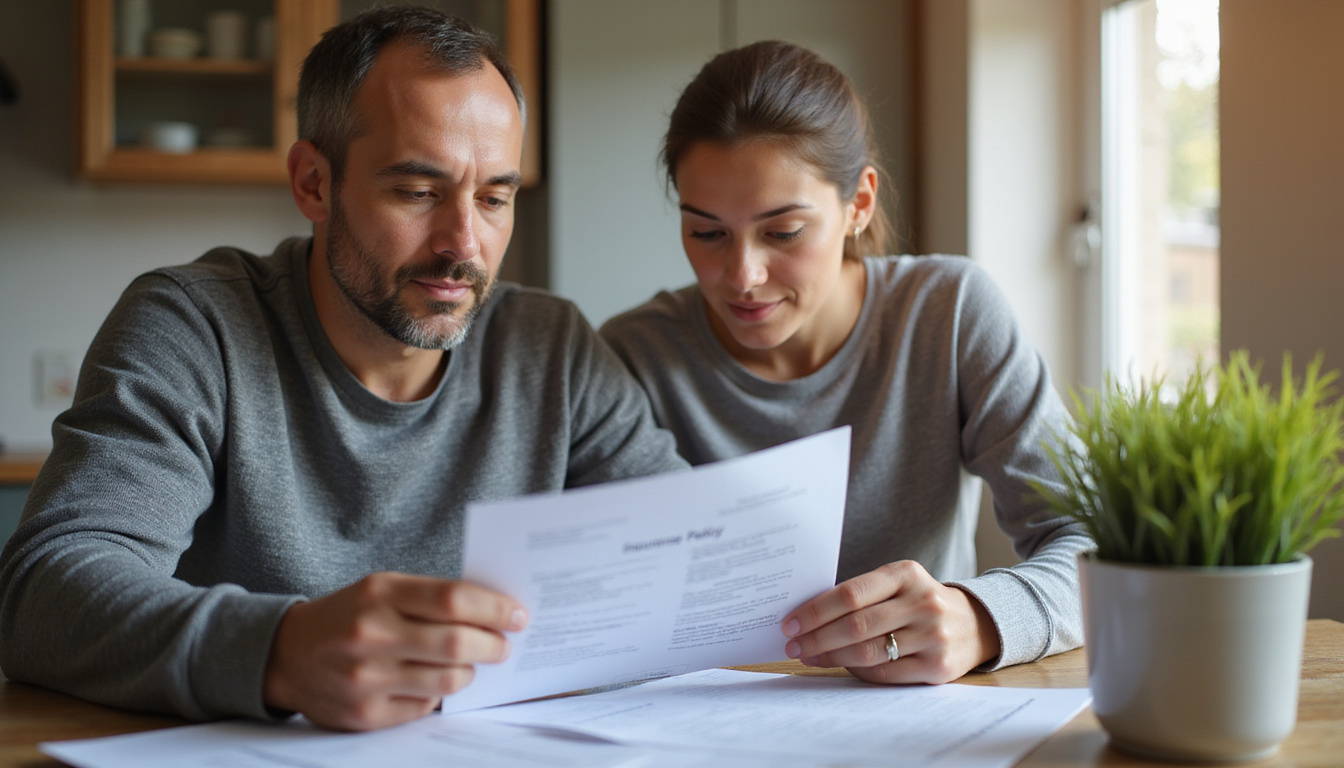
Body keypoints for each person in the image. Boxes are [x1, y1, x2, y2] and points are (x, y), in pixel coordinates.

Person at [0, 7, 686, 732]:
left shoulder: (551, 348)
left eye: (494, 198)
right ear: (313, 184)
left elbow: (688, 551)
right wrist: (280, 652)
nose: (465, 245)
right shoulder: (193, 327)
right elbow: (43, 594)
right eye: (418, 192)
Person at [600, 41, 1090, 685]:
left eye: (783, 232)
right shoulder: (634, 356)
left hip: (918, 721)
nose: (742, 276)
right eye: (707, 231)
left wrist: (979, 616)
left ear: (858, 203)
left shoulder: (948, 313)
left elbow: (1094, 541)